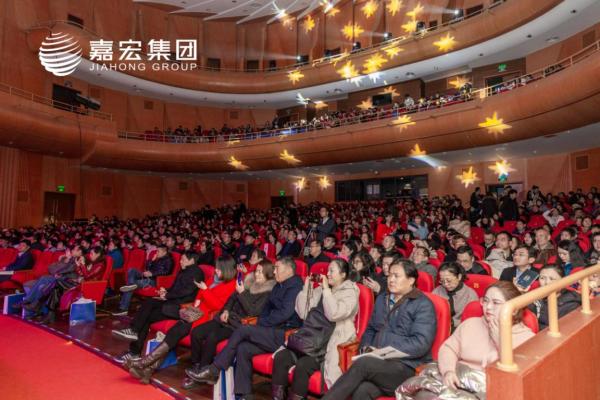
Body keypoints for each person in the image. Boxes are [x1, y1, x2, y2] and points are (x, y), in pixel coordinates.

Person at [186, 257, 303, 399]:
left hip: (283, 335)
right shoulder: (279, 285)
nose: (274, 271)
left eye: (277, 268)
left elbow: (284, 314)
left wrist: (260, 323)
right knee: (243, 349)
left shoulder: (295, 286)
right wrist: (260, 323)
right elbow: (266, 310)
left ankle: (215, 369)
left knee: (243, 329)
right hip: (269, 331)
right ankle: (245, 395)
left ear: (288, 270)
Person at [321, 259, 437, 400]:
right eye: (389, 275)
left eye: (396, 276)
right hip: (380, 364)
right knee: (362, 391)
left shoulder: (423, 304)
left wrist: (383, 351)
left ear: (411, 280)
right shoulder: (383, 298)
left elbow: (420, 343)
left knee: (363, 364)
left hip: (407, 367)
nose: (391, 280)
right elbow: (371, 329)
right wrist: (365, 349)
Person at [396, 282, 535, 399]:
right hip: (455, 379)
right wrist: (448, 371)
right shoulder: (471, 323)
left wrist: (500, 340)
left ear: (514, 310)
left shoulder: (527, 337)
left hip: (486, 389)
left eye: (496, 303)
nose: (488, 307)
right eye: (485, 300)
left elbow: (519, 378)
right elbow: (449, 349)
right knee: (421, 392)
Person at [124, 255, 237, 383]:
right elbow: (199, 296)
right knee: (174, 332)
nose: (216, 271)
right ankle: (147, 368)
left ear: (227, 269)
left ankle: (145, 366)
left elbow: (220, 307)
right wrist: (198, 300)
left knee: (175, 332)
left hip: (206, 319)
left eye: (219, 269)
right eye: (216, 268)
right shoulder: (212, 279)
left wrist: (205, 291)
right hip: (194, 314)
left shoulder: (231, 285)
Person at [271, 259, 359, 399]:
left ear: (343, 275)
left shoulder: (350, 293)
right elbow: (302, 313)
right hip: (309, 340)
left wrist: (326, 290)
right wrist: (307, 288)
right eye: (327, 270)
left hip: (326, 346)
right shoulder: (322, 289)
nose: (327, 274)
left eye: (332, 271)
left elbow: (334, 314)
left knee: (303, 365)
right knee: (281, 357)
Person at [182, 260, 276, 389]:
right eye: (256, 271)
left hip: (238, 325)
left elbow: (253, 311)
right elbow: (231, 299)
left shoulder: (268, 292)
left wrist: (242, 293)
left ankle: (203, 373)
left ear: (268, 274)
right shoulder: (249, 282)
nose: (257, 274)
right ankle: (196, 365)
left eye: (260, 272)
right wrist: (226, 310)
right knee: (197, 332)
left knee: (212, 337)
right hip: (226, 318)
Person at [112, 252, 204, 363]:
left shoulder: (197, 273)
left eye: (183, 260)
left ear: (192, 260)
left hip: (180, 308)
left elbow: (187, 291)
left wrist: (167, 295)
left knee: (150, 302)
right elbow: (175, 288)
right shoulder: (183, 271)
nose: (180, 262)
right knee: (146, 315)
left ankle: (133, 331)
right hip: (172, 303)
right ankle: (134, 352)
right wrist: (166, 291)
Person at [45, 246, 108, 323]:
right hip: (81, 284)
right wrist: (78, 266)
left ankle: (50, 313)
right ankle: (51, 313)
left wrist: (82, 265)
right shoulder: (94, 262)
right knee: (55, 286)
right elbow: (82, 274)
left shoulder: (100, 265)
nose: (90, 255)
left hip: (88, 287)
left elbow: (87, 276)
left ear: (98, 254)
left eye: (92, 253)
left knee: (56, 282)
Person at [115, 245, 174, 316]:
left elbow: (166, 272)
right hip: (147, 276)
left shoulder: (169, 260)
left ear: (164, 252)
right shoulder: (157, 258)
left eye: (158, 251)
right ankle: (131, 284)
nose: (156, 253)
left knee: (131, 286)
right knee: (132, 270)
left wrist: (152, 274)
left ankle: (123, 308)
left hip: (155, 280)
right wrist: (151, 261)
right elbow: (147, 267)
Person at [528, 264, 581, 330]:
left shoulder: (572, 304)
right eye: (542, 278)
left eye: (552, 279)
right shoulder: (535, 296)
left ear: (563, 281)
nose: (546, 282)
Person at [433, 262, 478, 329]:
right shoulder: (437, 291)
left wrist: (453, 322)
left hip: (461, 329)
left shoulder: (470, 295)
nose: (445, 284)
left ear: (459, 277)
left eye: (449, 280)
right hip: (438, 327)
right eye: (442, 281)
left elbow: (472, 321)